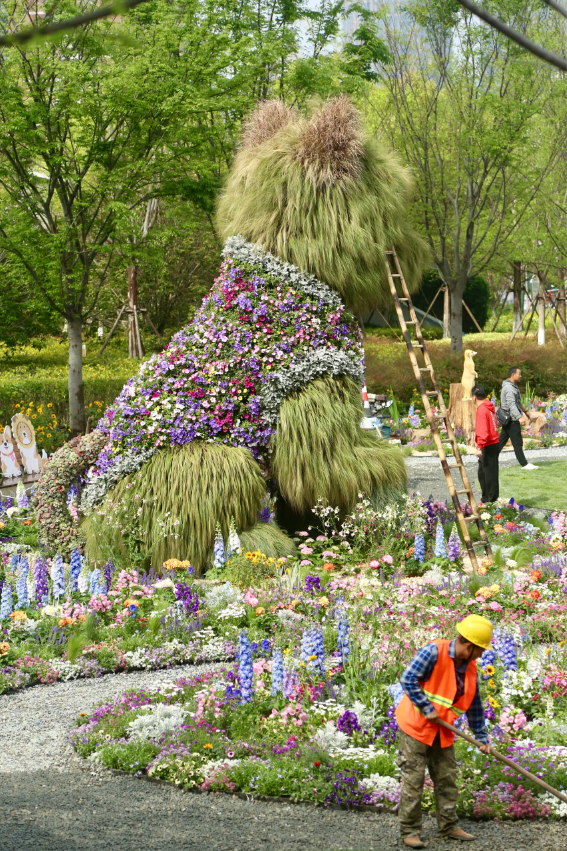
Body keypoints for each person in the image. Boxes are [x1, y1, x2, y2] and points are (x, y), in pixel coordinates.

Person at [396, 615, 493, 848]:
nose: (482, 655)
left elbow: (475, 705)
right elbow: (408, 679)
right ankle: (410, 831)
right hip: (416, 727)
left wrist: (481, 737)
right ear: (469, 646)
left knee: (447, 779)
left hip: (442, 730)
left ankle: (449, 826)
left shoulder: (470, 668)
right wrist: (426, 707)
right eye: (481, 649)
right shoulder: (433, 651)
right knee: (413, 781)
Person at [499, 367, 538, 470]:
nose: (521, 376)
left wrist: (526, 412)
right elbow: (511, 404)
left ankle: (488, 459)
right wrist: (519, 417)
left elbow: (517, 402)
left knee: (501, 441)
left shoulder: (512, 387)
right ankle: (524, 464)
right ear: (513, 375)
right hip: (512, 419)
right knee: (517, 442)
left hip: (509, 419)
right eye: (519, 374)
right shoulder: (509, 388)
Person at [472, 385, 499, 503]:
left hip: (488, 444)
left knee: (489, 475)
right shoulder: (489, 406)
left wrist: (479, 447)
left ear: (474, 397)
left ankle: (491, 500)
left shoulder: (482, 409)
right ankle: (486, 498)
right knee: (483, 473)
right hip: (492, 443)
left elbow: (483, 430)